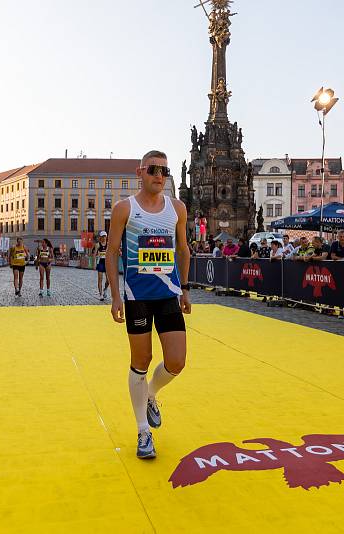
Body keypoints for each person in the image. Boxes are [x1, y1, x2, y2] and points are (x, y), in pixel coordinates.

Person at [105, 150, 191, 460]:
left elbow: (184, 250)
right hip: (137, 297)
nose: (159, 175)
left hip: (168, 294)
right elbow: (112, 252)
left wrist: (184, 289)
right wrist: (116, 296)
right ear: (140, 171)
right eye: (153, 169)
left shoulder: (177, 209)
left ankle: (151, 393)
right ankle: (143, 431)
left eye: (164, 171)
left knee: (177, 362)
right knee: (141, 361)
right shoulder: (124, 208)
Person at [94, 231, 110, 300]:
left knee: (108, 280)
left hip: (107, 263)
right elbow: (94, 254)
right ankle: (100, 295)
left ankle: (105, 290)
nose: (104, 237)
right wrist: (94, 263)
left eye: (105, 236)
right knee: (100, 279)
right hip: (100, 263)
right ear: (100, 237)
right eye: (103, 236)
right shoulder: (97, 244)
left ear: (106, 236)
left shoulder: (109, 244)